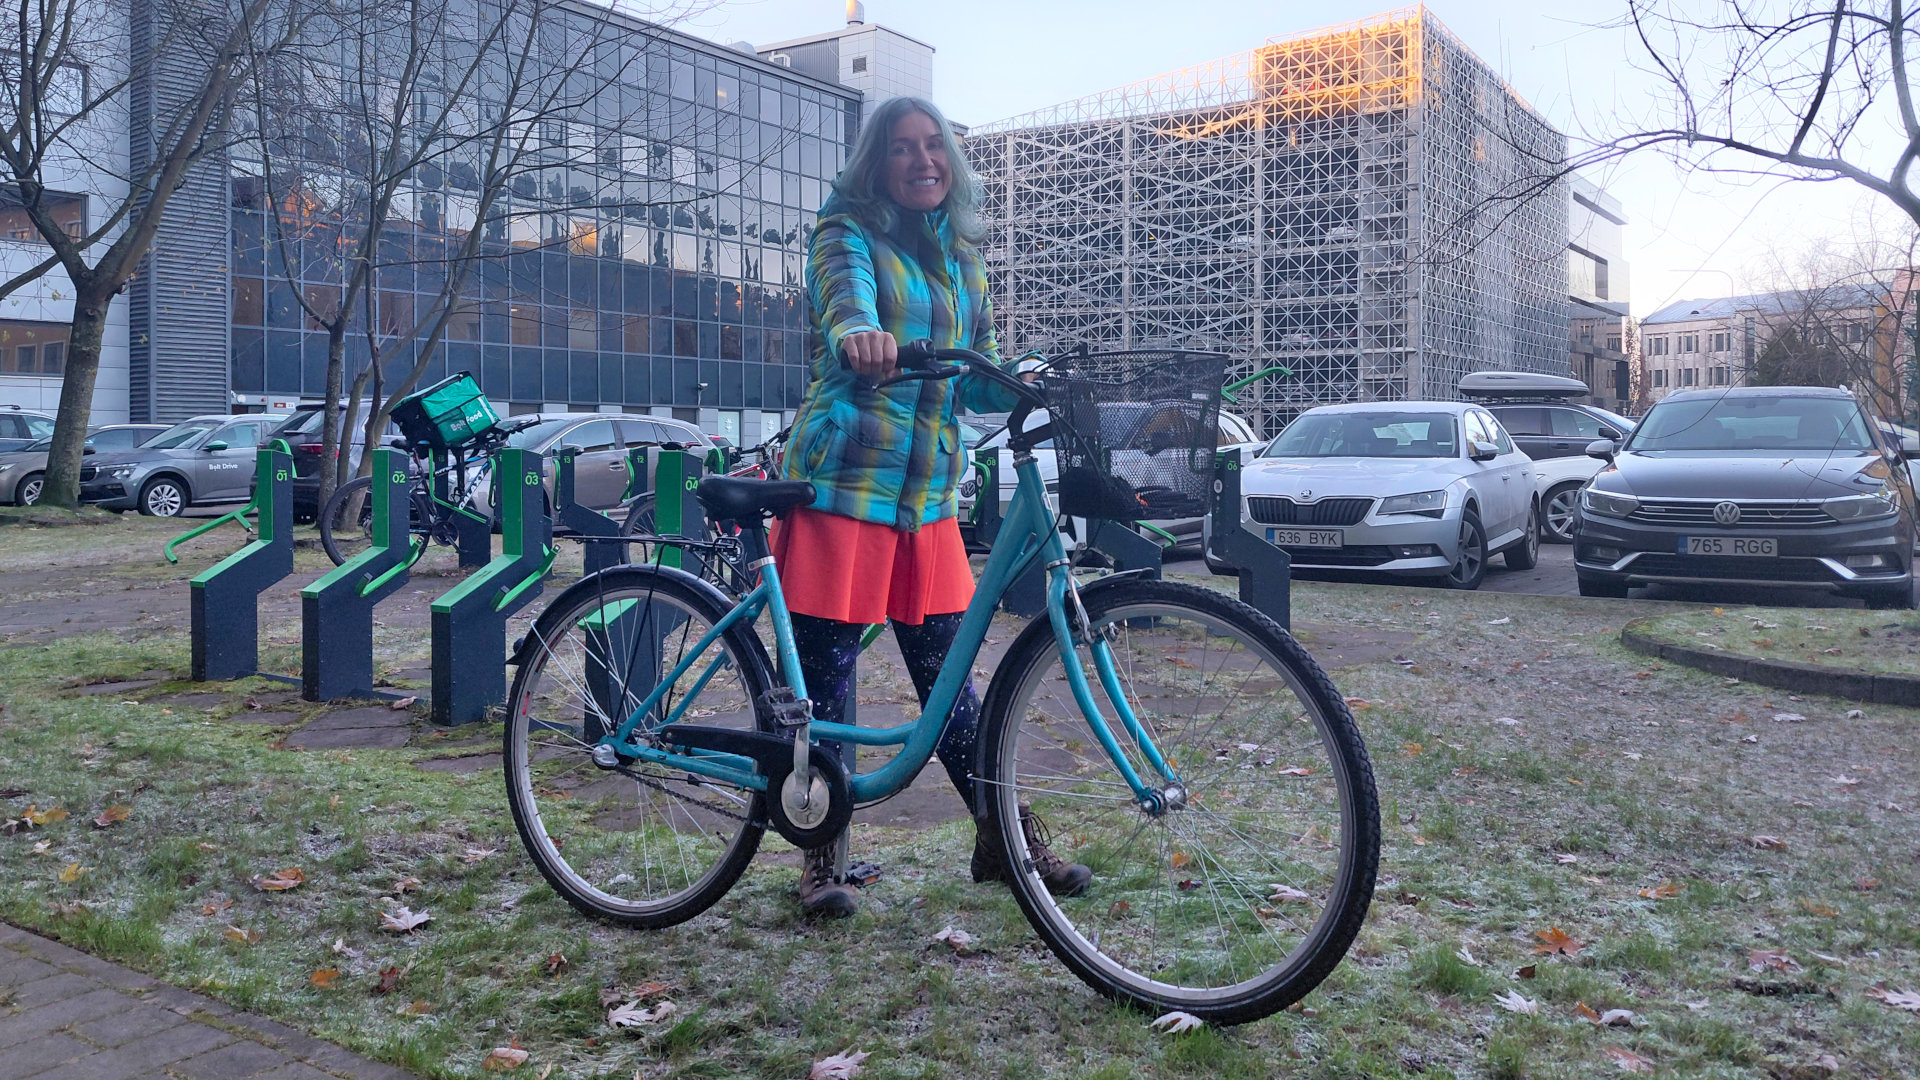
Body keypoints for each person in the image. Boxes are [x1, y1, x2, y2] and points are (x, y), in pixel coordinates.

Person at [775, 96, 1092, 918]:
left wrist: (1023, 377)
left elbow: (974, 375)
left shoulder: (962, 259)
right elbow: (843, 301)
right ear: (876, 164)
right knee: (825, 681)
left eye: (934, 146)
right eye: (902, 148)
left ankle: (1002, 836)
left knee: (950, 684)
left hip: (927, 499)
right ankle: (822, 852)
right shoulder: (845, 231)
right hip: (847, 483)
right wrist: (859, 335)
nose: (923, 161)